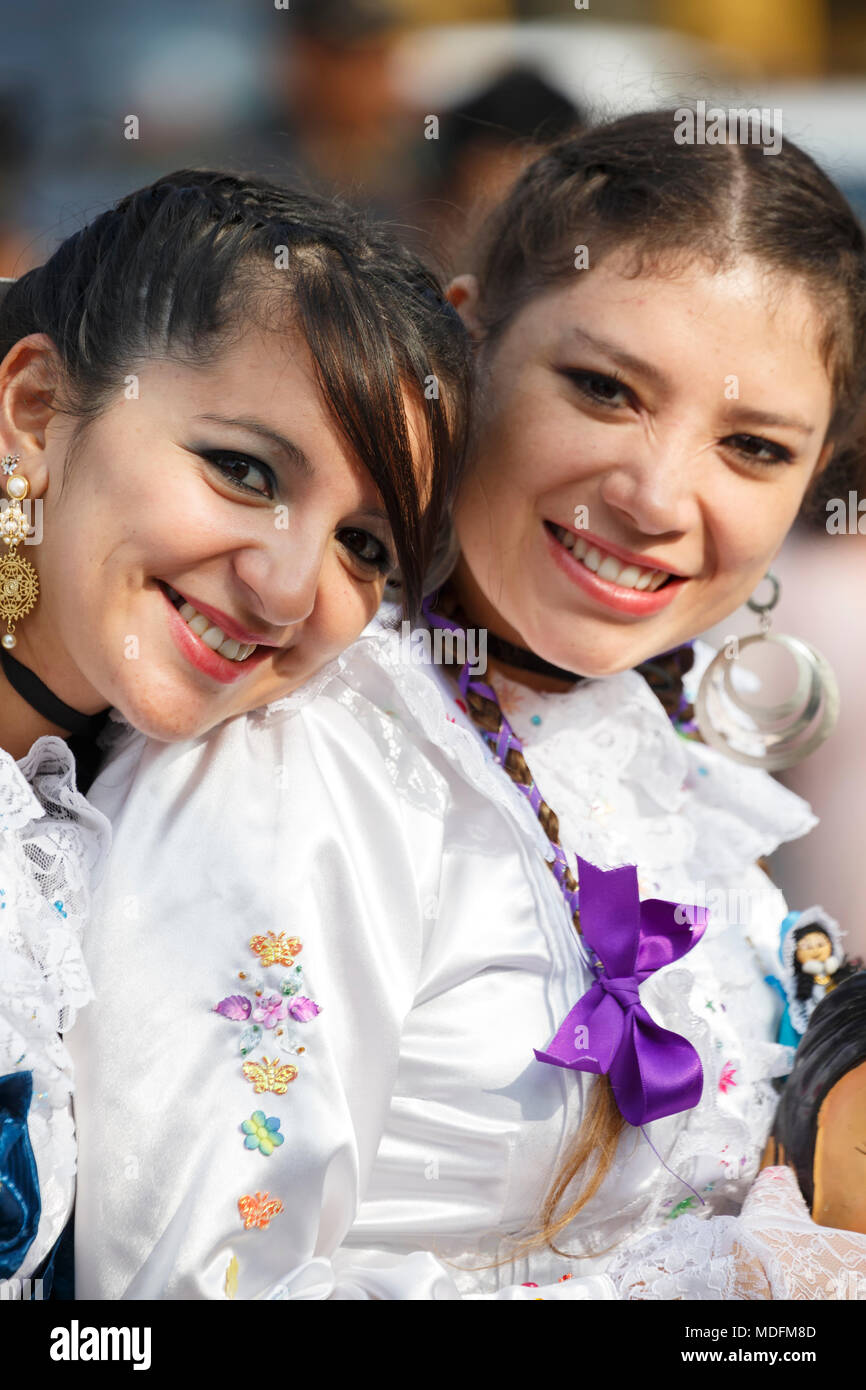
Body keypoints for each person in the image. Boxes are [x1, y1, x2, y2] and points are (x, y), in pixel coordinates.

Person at [70, 112, 866, 1299]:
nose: (655, 496)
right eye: (602, 388)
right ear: (466, 345)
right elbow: (171, 1293)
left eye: (750, 447)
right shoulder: (295, 748)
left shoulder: (655, 769)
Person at [0, 167, 470, 1292]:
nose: (288, 589)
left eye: (365, 547)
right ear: (34, 412)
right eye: (243, 469)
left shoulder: (131, 805)